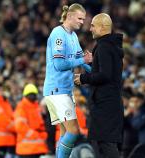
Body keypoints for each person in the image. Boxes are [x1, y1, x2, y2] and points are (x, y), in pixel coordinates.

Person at [43, 3, 92, 158]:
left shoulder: (73, 36)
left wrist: (95, 72)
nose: (82, 22)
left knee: (64, 132)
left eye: (83, 19)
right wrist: (82, 60)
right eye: (79, 18)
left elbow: (80, 59)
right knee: (74, 131)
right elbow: (59, 64)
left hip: (64, 89)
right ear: (70, 16)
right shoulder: (58, 34)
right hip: (57, 89)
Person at [74, 13, 124, 158]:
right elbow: (106, 73)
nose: (90, 29)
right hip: (110, 102)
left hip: (105, 103)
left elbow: (105, 75)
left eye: (93, 26)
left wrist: (83, 78)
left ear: (103, 27)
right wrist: (92, 64)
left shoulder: (104, 47)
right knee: (105, 143)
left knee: (106, 143)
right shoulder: (111, 46)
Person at [14, 84, 49, 157]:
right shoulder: (21, 107)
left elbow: (41, 124)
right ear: (25, 96)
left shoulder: (37, 107)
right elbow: (20, 126)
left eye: (34, 94)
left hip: (38, 148)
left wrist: (43, 135)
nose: (32, 96)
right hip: (26, 149)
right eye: (30, 94)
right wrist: (36, 135)